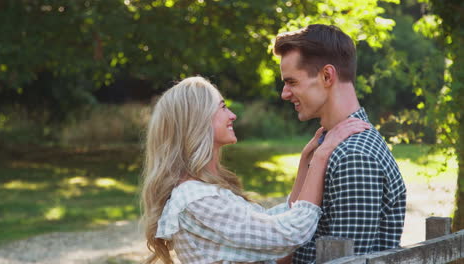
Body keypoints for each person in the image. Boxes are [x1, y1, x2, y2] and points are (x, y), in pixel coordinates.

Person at [140, 76, 370, 263]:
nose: (232, 115)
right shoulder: (195, 199)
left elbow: (268, 225)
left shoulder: (202, 191)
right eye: (222, 108)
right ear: (197, 120)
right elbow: (288, 234)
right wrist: (321, 158)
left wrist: (305, 164)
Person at [273, 24, 407, 263]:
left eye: (292, 82)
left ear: (327, 76)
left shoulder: (353, 157)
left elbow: (347, 260)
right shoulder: (329, 145)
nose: (284, 93)